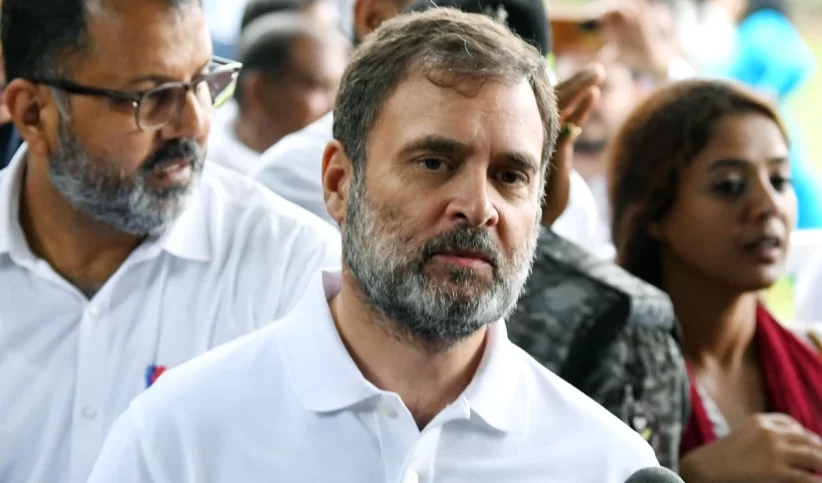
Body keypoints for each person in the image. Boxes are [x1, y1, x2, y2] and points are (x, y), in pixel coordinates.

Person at [88, 9, 659, 482]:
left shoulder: (606, 464)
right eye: (435, 162)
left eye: (510, 176)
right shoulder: (180, 437)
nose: (478, 206)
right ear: (339, 182)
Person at [0, 0, 341, 481]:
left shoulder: (294, 272)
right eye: (153, 97)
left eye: (204, 83)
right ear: (33, 113)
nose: (196, 124)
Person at [608, 79, 822, 481]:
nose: (768, 206)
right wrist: (690, 477)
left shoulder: (813, 357)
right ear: (654, 210)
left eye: (779, 180)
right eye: (730, 186)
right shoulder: (602, 378)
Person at [207, 12, 348, 174]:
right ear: (260, 91)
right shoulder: (206, 171)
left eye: (338, 89)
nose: (335, 105)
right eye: (318, 87)